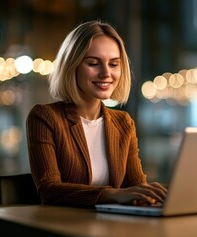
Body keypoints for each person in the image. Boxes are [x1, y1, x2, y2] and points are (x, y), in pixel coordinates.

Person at [26, 20, 167, 208]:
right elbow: (49, 190)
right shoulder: (44, 117)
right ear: (72, 65)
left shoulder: (123, 122)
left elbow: (135, 186)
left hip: (114, 228)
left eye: (114, 64)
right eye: (93, 63)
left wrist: (152, 194)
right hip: (64, 227)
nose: (106, 73)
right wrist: (112, 194)